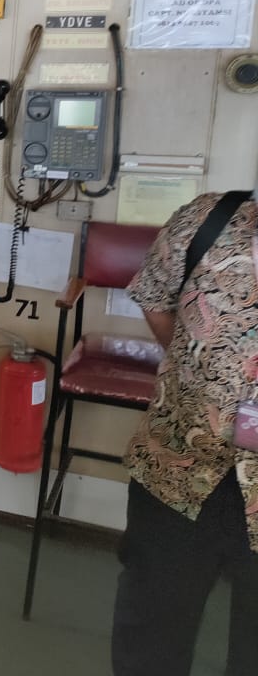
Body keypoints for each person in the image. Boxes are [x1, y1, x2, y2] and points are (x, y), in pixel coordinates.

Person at [114, 191, 258, 676]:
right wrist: (201, 378)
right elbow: (156, 303)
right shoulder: (205, 221)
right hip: (177, 469)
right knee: (150, 634)